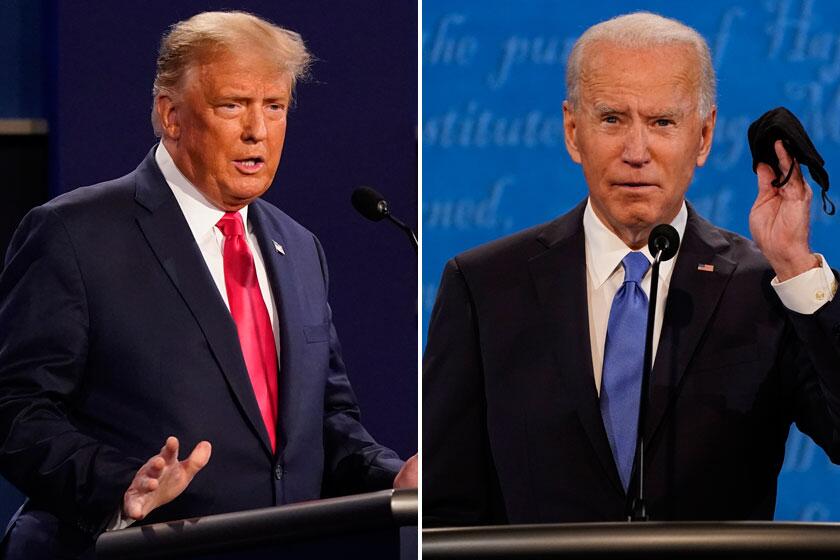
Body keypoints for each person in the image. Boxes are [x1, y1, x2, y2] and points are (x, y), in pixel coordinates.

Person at [0, 11, 417, 558]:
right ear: (171, 116)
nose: (258, 130)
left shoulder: (299, 248)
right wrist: (120, 484)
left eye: (275, 107)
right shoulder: (75, 235)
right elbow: (17, 408)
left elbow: (325, 423)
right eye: (233, 106)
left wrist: (392, 478)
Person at [423, 12, 840, 526]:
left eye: (663, 122)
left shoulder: (763, 288)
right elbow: (447, 506)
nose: (636, 152)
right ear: (573, 132)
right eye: (612, 119)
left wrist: (797, 265)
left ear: (704, 135)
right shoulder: (484, 287)